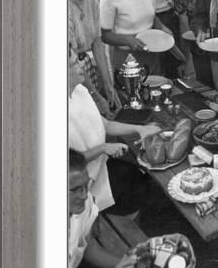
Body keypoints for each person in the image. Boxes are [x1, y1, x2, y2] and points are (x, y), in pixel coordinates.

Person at [69, 56, 161, 214]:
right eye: (74, 63)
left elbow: (106, 124)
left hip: (102, 165)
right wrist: (103, 148)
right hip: (85, 183)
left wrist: (139, 129)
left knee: (141, 175)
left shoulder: (80, 91)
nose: (81, 65)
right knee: (140, 187)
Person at [68, 149, 137, 268]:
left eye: (86, 185)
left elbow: (90, 250)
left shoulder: (84, 202)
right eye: (75, 189)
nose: (83, 195)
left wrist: (128, 265)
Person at [69, 0, 120, 118]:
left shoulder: (92, 1)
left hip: (89, 73)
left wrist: (108, 85)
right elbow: (73, 60)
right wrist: (94, 95)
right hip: (71, 77)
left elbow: (98, 45)